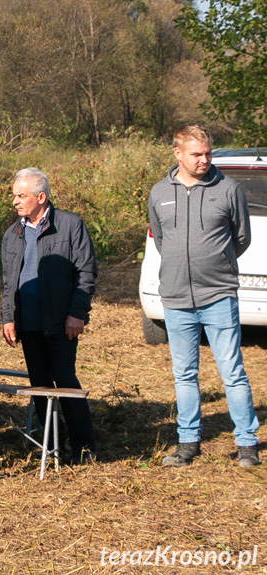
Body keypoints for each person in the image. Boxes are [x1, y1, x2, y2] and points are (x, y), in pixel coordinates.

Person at [149, 123, 260, 467]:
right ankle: (187, 442)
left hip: (218, 295)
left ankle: (246, 444)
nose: (204, 159)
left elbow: (242, 238)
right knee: (184, 374)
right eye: (197, 154)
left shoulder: (228, 189)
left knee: (233, 372)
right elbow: (163, 241)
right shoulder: (158, 192)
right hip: (176, 298)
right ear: (178, 153)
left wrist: (217, 265)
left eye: (208, 152)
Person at [1, 167, 98, 463]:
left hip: (60, 321)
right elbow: (7, 281)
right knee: (40, 384)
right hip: (27, 322)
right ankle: (52, 446)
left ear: (40, 197)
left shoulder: (70, 225)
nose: (15, 202)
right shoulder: (12, 233)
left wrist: (76, 314)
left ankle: (84, 447)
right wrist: (7, 317)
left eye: (21, 196)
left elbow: (86, 272)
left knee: (66, 382)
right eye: (14, 196)